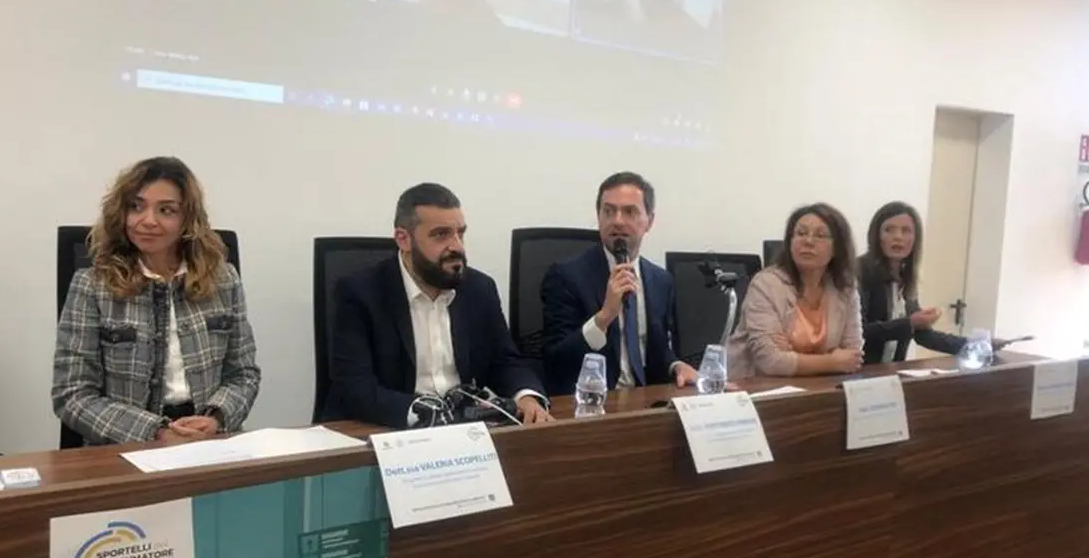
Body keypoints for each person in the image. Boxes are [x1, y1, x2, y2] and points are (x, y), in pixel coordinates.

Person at [52, 157, 261, 445]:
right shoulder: (92, 285)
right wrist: (157, 432)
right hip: (127, 444)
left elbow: (243, 375)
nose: (148, 221)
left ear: (187, 219)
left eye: (166, 210)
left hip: (209, 440)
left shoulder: (224, 280)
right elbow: (72, 394)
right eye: (136, 207)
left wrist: (216, 418)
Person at [325, 182, 551, 428]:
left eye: (460, 233)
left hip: (463, 428)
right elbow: (355, 387)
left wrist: (525, 396)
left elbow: (504, 362)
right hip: (389, 427)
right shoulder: (360, 293)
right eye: (441, 235)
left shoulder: (479, 289)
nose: (457, 246)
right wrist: (424, 414)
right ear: (403, 239)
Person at [541, 171, 697, 396]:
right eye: (608, 211)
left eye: (630, 212)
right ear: (598, 217)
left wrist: (676, 365)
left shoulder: (661, 281)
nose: (617, 221)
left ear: (649, 221)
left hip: (646, 401)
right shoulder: (566, 276)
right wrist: (603, 318)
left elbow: (656, 349)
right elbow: (555, 360)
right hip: (591, 402)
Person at [858, 201, 1015, 363]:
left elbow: (923, 335)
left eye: (906, 231)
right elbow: (859, 332)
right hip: (859, 371)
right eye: (889, 230)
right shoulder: (859, 272)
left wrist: (978, 344)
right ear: (876, 236)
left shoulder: (905, 278)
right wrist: (910, 323)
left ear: (915, 239)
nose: (898, 237)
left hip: (890, 371)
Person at [727, 203, 864, 378]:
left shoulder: (844, 287)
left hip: (817, 386)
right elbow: (770, 361)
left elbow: (852, 355)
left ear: (838, 248)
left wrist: (792, 355)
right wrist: (832, 361)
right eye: (800, 233)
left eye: (820, 235)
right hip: (754, 385)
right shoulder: (766, 284)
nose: (808, 241)